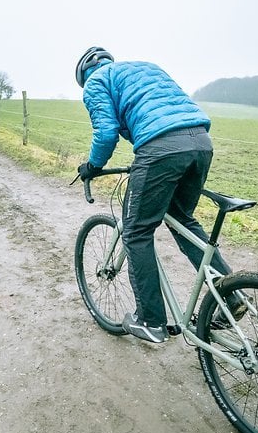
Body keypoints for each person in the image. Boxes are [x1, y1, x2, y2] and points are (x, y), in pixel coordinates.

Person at [75, 46, 231, 344]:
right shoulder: (147, 67)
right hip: (200, 141)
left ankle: (151, 320)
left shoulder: (96, 82)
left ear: (83, 74)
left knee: (136, 231)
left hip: (159, 147)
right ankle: (231, 295)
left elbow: (106, 133)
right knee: (183, 219)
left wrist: (93, 166)